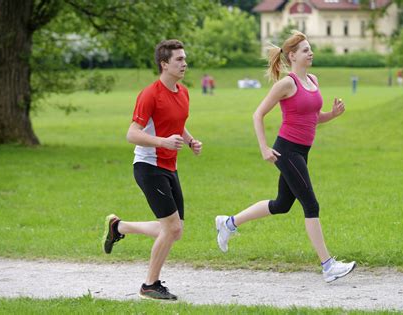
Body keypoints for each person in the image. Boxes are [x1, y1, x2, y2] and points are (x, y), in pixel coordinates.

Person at [215, 31, 356, 283]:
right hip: (287, 150)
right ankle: (328, 266)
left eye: (310, 48)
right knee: (311, 205)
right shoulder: (286, 84)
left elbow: (313, 117)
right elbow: (257, 115)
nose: (310, 52)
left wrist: (332, 115)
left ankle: (228, 223)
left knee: (282, 204)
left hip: (302, 150)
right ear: (292, 56)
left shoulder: (313, 79)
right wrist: (264, 148)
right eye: (305, 50)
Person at [102, 39, 202, 300]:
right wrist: (162, 142)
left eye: (184, 58)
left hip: (170, 166)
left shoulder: (183, 92)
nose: (184, 63)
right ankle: (149, 285)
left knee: (174, 229)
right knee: (171, 228)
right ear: (164, 64)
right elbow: (131, 134)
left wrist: (190, 140)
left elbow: (176, 123)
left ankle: (118, 228)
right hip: (149, 166)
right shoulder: (149, 94)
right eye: (179, 59)